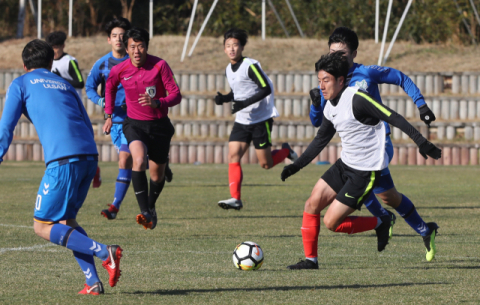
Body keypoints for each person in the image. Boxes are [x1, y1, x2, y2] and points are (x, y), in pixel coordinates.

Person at [281, 51, 441, 270]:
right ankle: (311, 260)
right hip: (345, 164)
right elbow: (320, 140)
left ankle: (381, 221)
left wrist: (421, 141)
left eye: (326, 81)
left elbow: (392, 116)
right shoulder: (329, 105)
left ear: (340, 80)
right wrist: (295, 166)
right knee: (312, 204)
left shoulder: (357, 98)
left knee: (331, 223)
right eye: (319, 81)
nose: (321, 86)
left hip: (365, 170)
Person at [0, 40, 123, 294]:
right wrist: (95, 166)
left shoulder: (21, 83)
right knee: (67, 220)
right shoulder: (65, 85)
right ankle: (92, 282)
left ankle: (104, 251)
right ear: (50, 64)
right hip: (88, 155)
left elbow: (5, 127)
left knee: (41, 225)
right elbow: (86, 123)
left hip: (63, 161)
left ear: (24, 66)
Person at [103, 28, 181, 230]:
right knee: (137, 160)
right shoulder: (120, 70)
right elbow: (109, 88)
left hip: (159, 126)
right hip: (134, 124)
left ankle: (151, 207)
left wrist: (157, 102)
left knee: (157, 176)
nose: (136, 51)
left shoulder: (160, 65)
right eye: (132, 47)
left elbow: (176, 95)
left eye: (140, 46)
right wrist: (109, 115)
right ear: (127, 49)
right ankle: (144, 211)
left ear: (146, 47)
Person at [215, 28, 298, 210]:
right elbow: (239, 92)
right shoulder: (229, 69)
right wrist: (225, 98)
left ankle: (286, 152)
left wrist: (244, 104)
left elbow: (265, 88)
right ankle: (236, 199)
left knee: (265, 164)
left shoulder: (250, 66)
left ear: (242, 47)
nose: (231, 49)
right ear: (224, 49)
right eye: (228, 46)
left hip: (261, 119)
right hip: (242, 120)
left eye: (235, 45)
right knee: (233, 155)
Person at [46, 30, 102, 189]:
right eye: (52, 47)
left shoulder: (69, 61)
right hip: (57, 108)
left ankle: (94, 169)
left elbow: (79, 82)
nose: (55, 50)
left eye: (57, 47)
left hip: (73, 108)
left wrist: (59, 79)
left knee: (80, 141)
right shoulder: (47, 62)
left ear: (63, 46)